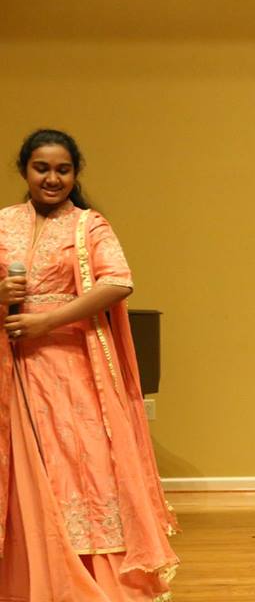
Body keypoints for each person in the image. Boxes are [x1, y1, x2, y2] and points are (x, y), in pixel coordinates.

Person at [0, 129, 179, 601]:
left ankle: (87, 578)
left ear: (75, 174)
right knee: (20, 470)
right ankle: (25, 576)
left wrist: (47, 321)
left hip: (71, 368)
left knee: (78, 466)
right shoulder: (3, 223)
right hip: (12, 368)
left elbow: (118, 282)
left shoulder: (88, 226)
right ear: (24, 170)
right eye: (42, 168)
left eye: (63, 170)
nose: (52, 178)